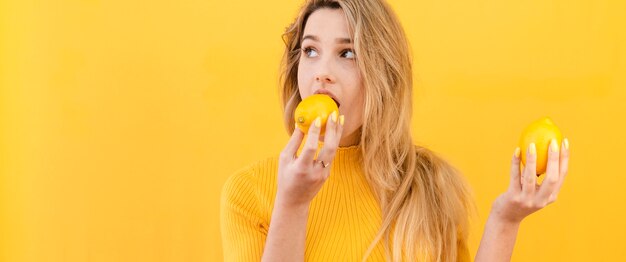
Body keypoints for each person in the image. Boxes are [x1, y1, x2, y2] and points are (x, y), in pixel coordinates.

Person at [220, 0, 571, 261]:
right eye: (310, 50)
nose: (321, 72)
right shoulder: (249, 194)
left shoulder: (432, 186)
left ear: (383, 73)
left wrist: (506, 218)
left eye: (347, 53)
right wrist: (293, 203)